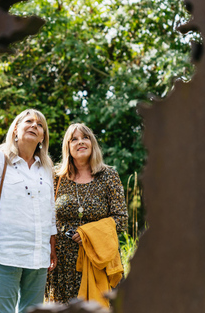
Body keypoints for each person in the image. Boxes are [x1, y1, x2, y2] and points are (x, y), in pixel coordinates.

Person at [0, 109, 57, 313]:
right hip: (5, 252)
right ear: (15, 130)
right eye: (28, 121)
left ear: (42, 137)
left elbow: (50, 212)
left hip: (39, 255)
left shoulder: (46, 168)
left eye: (39, 125)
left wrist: (51, 247)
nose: (34, 126)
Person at [46, 123, 128, 304]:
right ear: (67, 147)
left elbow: (121, 220)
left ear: (92, 143)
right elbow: (47, 217)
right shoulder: (56, 178)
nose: (80, 142)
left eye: (85, 137)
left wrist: (88, 234)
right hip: (63, 264)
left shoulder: (109, 176)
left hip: (99, 260)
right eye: (73, 139)